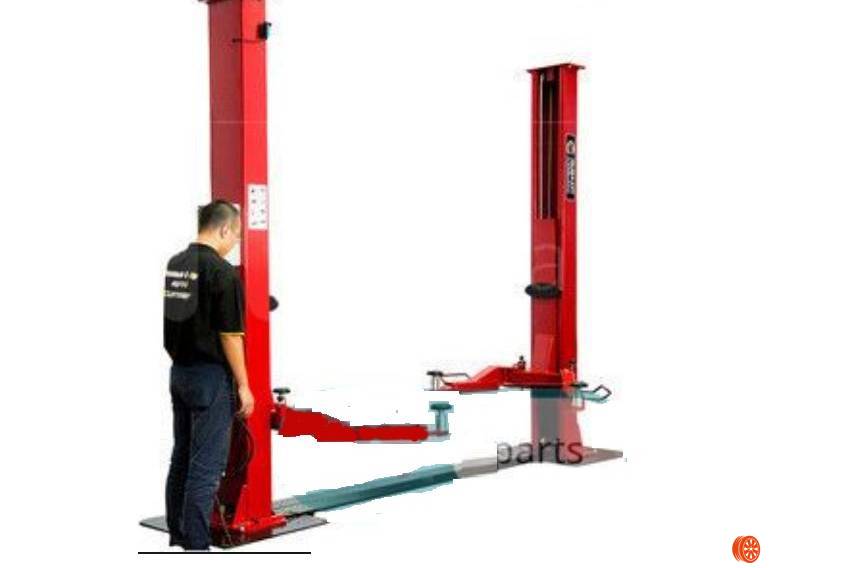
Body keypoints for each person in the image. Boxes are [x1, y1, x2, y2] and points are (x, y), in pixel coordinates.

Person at [162, 200, 255, 550]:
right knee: (205, 468)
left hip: (180, 373)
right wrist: (244, 385)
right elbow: (230, 336)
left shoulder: (176, 264)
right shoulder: (222, 273)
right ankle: (197, 545)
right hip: (210, 378)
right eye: (236, 236)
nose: (235, 243)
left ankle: (178, 534)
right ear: (224, 229)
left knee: (182, 459)